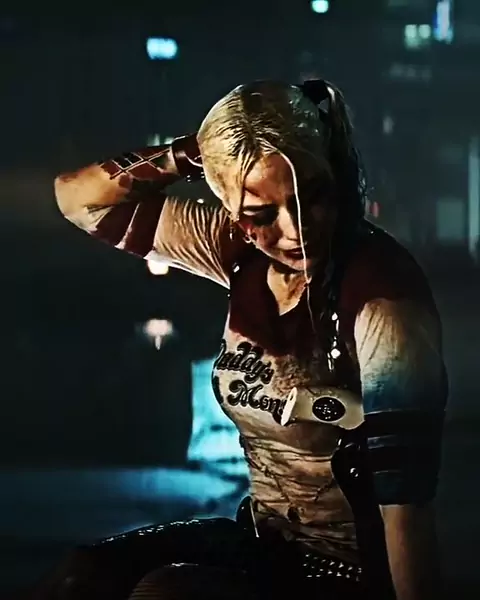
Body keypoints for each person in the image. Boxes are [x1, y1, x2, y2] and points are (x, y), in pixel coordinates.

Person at [33, 80, 447, 600]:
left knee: (166, 593)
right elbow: (80, 200)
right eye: (261, 214)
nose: (295, 230)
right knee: (80, 577)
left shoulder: (383, 297)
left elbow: (406, 502)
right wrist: (197, 152)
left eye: (312, 196)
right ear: (232, 210)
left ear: (335, 173)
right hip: (263, 545)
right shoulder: (237, 252)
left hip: (352, 572)